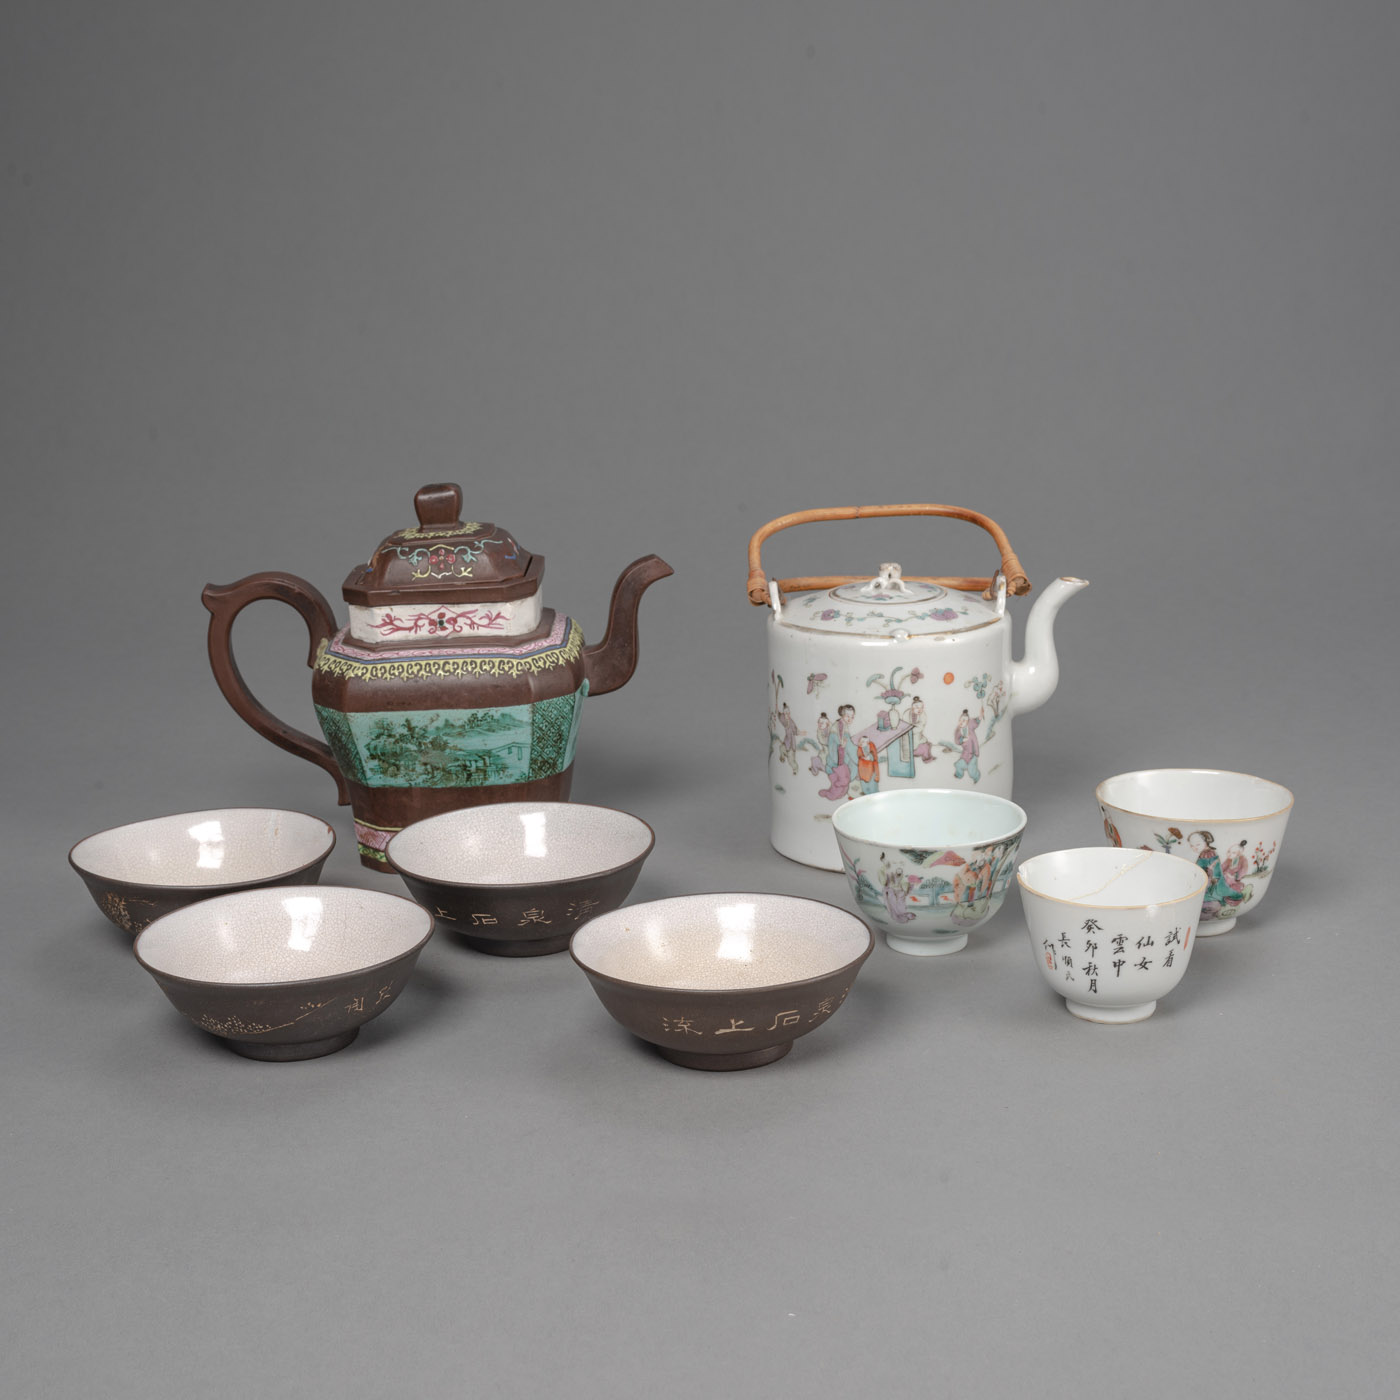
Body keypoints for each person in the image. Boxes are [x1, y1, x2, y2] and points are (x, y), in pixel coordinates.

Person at [1187, 830, 1248, 917]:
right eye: (1192, 846)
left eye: (1198, 844)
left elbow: (1217, 872)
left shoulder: (1210, 855)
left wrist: (1210, 876)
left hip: (1213, 883)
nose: (1195, 848)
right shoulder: (1203, 854)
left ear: (1206, 842)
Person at [952, 706, 984, 783]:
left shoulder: (970, 725)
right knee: (958, 765)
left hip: (973, 754)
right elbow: (957, 740)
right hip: (965, 753)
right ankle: (959, 774)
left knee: (971, 771)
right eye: (960, 720)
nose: (961, 722)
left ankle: (976, 776)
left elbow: (977, 721)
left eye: (964, 721)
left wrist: (981, 715)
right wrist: (962, 739)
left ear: (967, 721)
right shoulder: (958, 730)